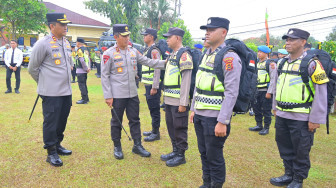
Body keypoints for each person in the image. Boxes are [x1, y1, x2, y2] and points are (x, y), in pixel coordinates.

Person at [270, 28, 328, 188]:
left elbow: (321, 91)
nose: (287, 42)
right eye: (286, 39)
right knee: (284, 146)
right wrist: (275, 107)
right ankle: (288, 174)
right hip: (282, 115)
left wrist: (316, 118)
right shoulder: (281, 62)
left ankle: (298, 179)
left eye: (292, 39)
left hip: (302, 117)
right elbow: (276, 86)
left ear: (303, 42)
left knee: (301, 150)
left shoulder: (313, 64)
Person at [101, 24, 166, 160]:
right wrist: (108, 96)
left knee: (135, 120)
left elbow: (148, 61)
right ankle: (117, 146)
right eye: (124, 36)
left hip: (132, 94)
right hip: (117, 95)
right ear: (116, 37)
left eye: (128, 35)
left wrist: (166, 62)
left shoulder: (133, 51)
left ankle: (137, 145)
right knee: (116, 121)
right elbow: (105, 76)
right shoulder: (109, 54)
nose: (127, 38)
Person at [189, 17, 241, 187]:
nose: (207, 33)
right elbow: (198, 84)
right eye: (206, 30)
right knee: (204, 153)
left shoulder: (229, 57)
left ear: (224, 32)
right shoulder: (206, 54)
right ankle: (206, 183)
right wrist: (193, 108)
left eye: (212, 30)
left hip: (215, 117)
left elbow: (231, 92)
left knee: (214, 155)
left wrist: (222, 121)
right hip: (200, 114)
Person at [28, 13, 73, 167]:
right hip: (51, 92)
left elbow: (69, 64)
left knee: (62, 120)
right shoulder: (43, 44)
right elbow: (32, 68)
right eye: (62, 24)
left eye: (66, 24)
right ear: (52, 26)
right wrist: (44, 84)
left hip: (66, 91)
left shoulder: (66, 43)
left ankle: (58, 144)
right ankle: (51, 152)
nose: (66, 27)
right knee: (51, 122)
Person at [160, 27, 193, 167]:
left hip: (179, 100)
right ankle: (175, 150)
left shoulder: (184, 55)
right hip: (169, 99)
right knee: (171, 126)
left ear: (177, 38)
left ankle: (181, 155)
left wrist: (183, 102)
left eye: (169, 37)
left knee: (179, 127)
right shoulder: (172, 55)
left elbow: (186, 80)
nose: (167, 39)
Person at [140, 28, 162, 142]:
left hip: (152, 85)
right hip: (148, 84)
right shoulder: (147, 49)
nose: (144, 37)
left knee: (155, 109)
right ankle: (153, 130)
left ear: (151, 37)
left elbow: (157, 68)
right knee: (151, 108)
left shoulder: (154, 51)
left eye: (146, 35)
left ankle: (156, 132)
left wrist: (155, 86)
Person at [249, 45, 277, 135]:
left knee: (266, 110)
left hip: (265, 90)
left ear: (266, 53)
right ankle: (259, 125)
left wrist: (269, 92)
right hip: (256, 90)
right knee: (256, 108)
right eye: (258, 52)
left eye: (261, 52)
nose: (259, 54)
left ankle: (266, 127)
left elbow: (273, 79)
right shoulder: (257, 63)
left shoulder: (270, 64)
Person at [75, 38, 90, 104]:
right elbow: (88, 59)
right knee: (84, 84)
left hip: (81, 70)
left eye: (76, 43)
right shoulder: (86, 49)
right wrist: (88, 67)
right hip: (85, 70)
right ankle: (86, 98)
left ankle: (84, 99)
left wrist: (85, 68)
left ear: (78, 43)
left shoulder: (79, 50)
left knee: (81, 85)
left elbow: (81, 60)